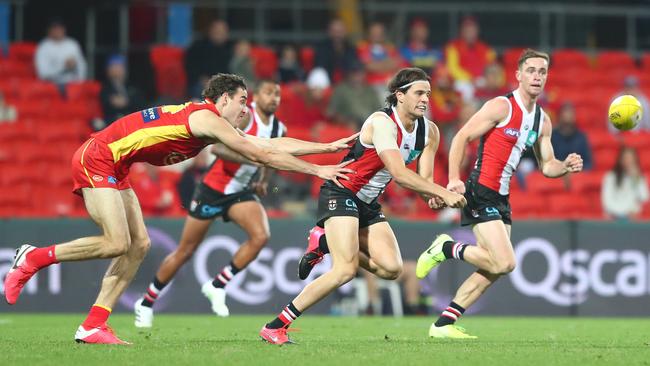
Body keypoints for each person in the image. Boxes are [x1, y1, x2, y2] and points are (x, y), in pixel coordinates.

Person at [3, 73, 357, 345]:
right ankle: (34, 258)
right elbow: (261, 153)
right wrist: (318, 169)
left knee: (139, 245)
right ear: (221, 100)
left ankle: (93, 324)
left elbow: (268, 143)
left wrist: (325, 146)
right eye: (241, 101)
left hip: (116, 165)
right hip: (98, 157)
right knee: (116, 243)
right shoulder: (206, 119)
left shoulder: (210, 121)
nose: (246, 109)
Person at [259, 67, 466, 345]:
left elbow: (422, 180)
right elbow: (400, 173)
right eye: (419, 93)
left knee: (392, 269)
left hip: (367, 204)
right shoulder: (382, 123)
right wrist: (439, 190)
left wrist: (433, 196)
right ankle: (276, 326)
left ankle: (326, 243)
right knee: (345, 270)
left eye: (428, 94)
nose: (426, 99)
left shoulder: (430, 132)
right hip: (341, 191)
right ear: (399, 96)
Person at [415, 49, 583, 339]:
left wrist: (565, 166)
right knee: (505, 262)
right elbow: (462, 136)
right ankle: (446, 248)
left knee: (494, 269)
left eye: (542, 71)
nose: (537, 76)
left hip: (502, 199)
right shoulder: (501, 107)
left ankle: (443, 325)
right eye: (531, 70)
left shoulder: (542, 120)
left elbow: (547, 166)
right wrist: (455, 179)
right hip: (481, 191)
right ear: (518, 75)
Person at [133, 79, 287, 327]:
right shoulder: (246, 118)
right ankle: (147, 301)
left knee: (260, 236)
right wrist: (252, 159)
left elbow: (271, 159)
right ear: (257, 95)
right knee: (185, 251)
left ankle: (217, 284)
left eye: (278, 94)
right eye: (269, 92)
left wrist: (264, 180)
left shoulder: (280, 129)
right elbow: (216, 150)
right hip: (213, 189)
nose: (274, 98)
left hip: (240, 192)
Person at [444, 16, 496, 101]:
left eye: (472, 30)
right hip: (463, 81)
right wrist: (470, 79)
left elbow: (493, 66)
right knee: (463, 87)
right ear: (462, 31)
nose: (470, 33)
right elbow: (452, 68)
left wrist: (489, 79)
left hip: (482, 80)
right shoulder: (453, 47)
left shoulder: (485, 48)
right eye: (467, 30)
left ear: (477, 31)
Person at [185, 20, 233, 99]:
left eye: (223, 31)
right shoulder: (198, 46)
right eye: (217, 30)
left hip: (225, 83)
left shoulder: (231, 48)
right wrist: (201, 78)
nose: (219, 33)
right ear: (210, 31)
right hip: (202, 82)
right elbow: (191, 66)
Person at [327, 61, 382, 129]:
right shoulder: (340, 89)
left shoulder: (370, 90)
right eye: (354, 72)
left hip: (370, 124)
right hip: (349, 124)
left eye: (360, 72)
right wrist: (345, 121)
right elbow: (331, 112)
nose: (357, 75)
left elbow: (379, 110)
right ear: (349, 74)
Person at [35, 18, 87, 88]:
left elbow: (82, 65)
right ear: (49, 31)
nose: (58, 31)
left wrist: (80, 82)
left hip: (74, 85)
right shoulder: (44, 47)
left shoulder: (72, 44)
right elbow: (43, 74)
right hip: (53, 86)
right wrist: (64, 66)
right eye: (55, 28)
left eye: (60, 28)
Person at [601, 146, 649, 219]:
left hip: (631, 217)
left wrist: (636, 179)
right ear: (620, 160)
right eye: (626, 158)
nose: (628, 161)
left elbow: (644, 197)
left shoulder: (639, 177)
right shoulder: (610, 177)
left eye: (631, 158)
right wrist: (613, 213)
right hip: (613, 216)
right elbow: (606, 200)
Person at [99, 54, 145, 127]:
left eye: (120, 67)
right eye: (114, 67)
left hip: (134, 122)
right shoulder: (105, 88)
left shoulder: (132, 86)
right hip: (114, 123)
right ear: (108, 70)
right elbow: (106, 104)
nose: (117, 70)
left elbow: (141, 103)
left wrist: (127, 102)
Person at [314, 19, 359, 83]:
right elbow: (320, 69)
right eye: (334, 31)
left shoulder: (351, 49)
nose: (337, 35)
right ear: (329, 32)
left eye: (340, 31)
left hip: (347, 84)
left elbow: (353, 67)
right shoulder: (321, 48)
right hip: (327, 83)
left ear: (345, 32)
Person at [551, 102, 593, 171]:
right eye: (565, 112)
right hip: (556, 174)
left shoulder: (581, 138)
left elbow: (588, 164)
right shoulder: (552, 136)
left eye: (570, 113)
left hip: (577, 174)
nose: (568, 116)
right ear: (559, 116)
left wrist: (575, 170)